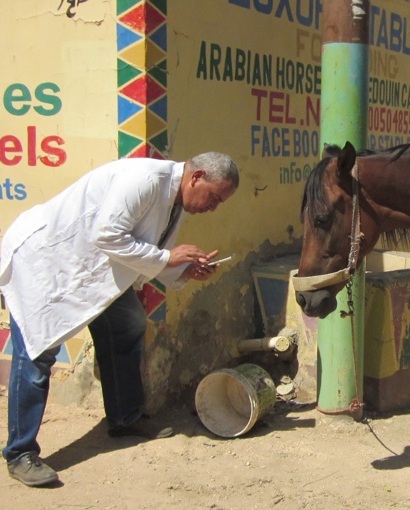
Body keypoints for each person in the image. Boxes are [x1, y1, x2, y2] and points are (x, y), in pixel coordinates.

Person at [0, 152, 240, 487]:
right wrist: (168, 257)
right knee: (37, 354)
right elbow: (107, 235)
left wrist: (184, 269)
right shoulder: (144, 181)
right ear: (197, 177)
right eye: (213, 197)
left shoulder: (176, 200)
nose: (212, 207)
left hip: (96, 272)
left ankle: (124, 418)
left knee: (127, 325)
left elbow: (148, 251)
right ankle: (20, 453)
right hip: (48, 264)